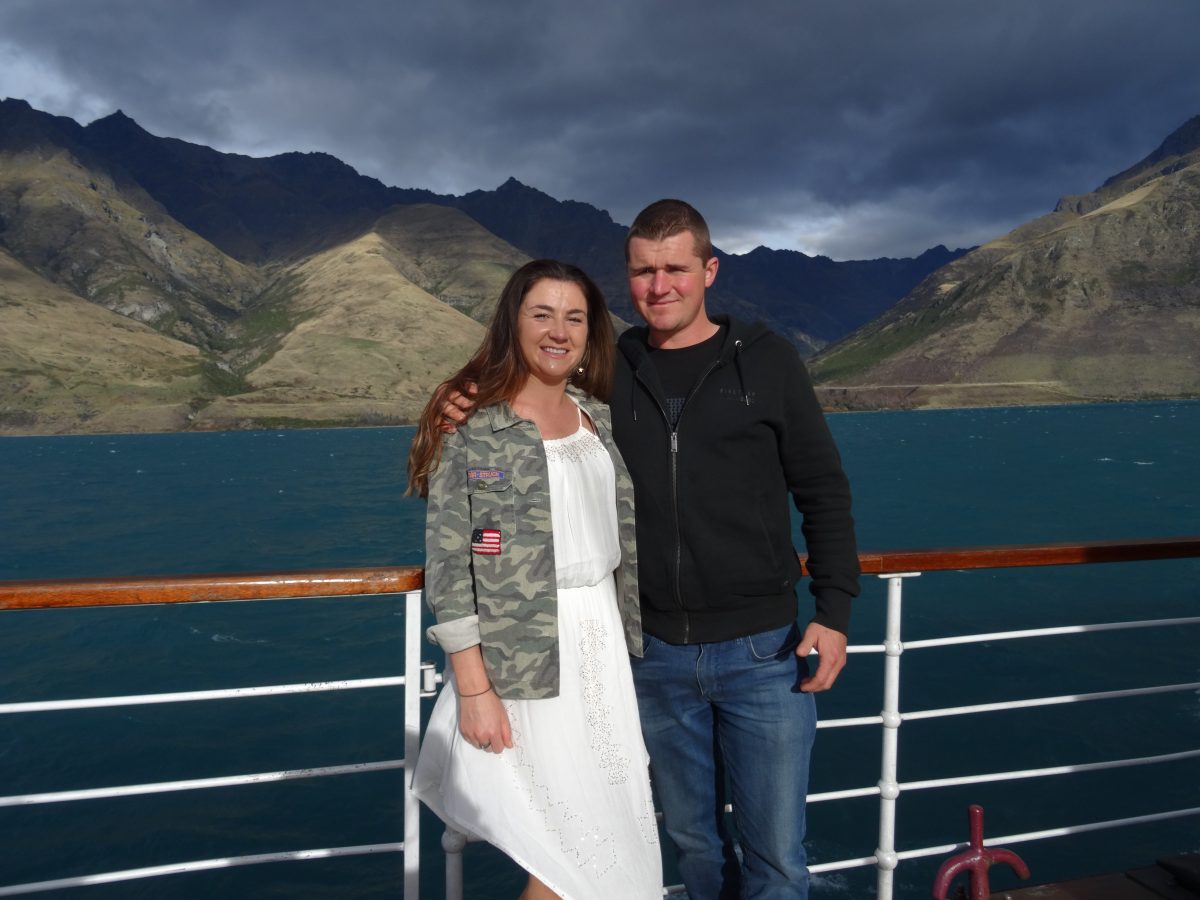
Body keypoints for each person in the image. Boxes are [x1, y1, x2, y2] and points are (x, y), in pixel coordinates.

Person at [441, 201, 860, 899]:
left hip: (763, 651)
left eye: (675, 269)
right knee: (694, 845)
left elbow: (823, 488)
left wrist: (836, 609)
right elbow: (531, 391)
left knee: (777, 856)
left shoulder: (768, 360)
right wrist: (461, 395)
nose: (658, 286)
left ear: (709, 271)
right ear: (627, 277)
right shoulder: (611, 367)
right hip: (649, 655)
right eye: (643, 271)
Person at [408, 259, 662, 900]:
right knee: (569, 859)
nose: (558, 330)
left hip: (600, 646)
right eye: (541, 314)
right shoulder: (473, 427)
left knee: (613, 841)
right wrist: (473, 688)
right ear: (512, 324)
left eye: (574, 317)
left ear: (590, 332)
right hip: (522, 657)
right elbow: (448, 564)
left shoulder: (598, 421)